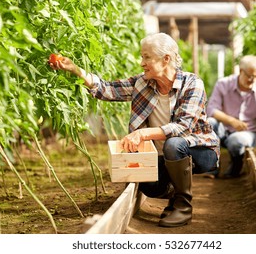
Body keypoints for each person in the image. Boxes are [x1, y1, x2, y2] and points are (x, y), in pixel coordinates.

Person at [48, 32, 219, 228]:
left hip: (199, 150)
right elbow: (106, 89)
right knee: (148, 185)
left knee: (174, 144)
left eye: (147, 57)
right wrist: (76, 70)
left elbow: (183, 127)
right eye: (142, 56)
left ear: (166, 59)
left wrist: (143, 133)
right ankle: (174, 190)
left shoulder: (192, 83)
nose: (141, 62)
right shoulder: (142, 83)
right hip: (164, 155)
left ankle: (183, 206)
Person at [206, 55, 256, 178]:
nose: (252, 80)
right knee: (210, 122)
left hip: (247, 133)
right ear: (240, 71)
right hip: (223, 129)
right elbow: (211, 109)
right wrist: (231, 121)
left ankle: (236, 166)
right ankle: (212, 166)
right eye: (249, 76)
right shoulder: (223, 84)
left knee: (236, 140)